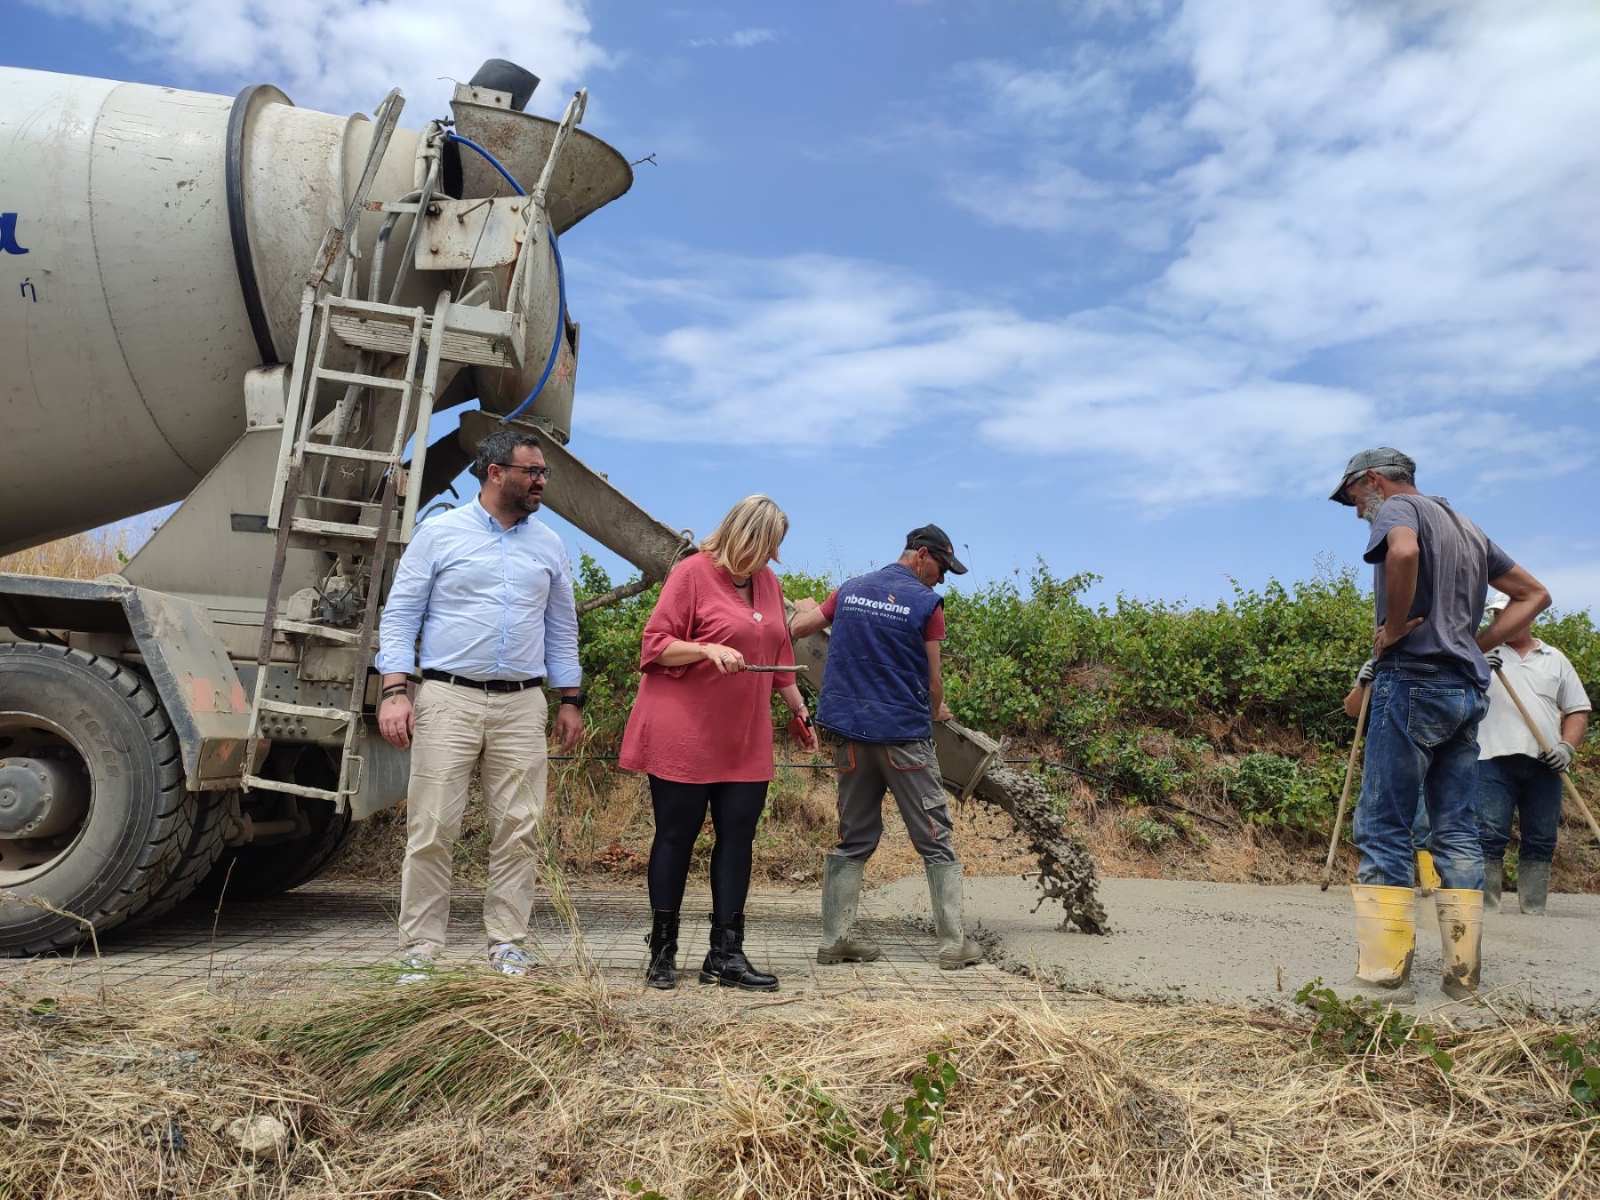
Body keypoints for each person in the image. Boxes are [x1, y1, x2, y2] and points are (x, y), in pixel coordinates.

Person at [1331, 448, 1549, 999]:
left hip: (1413, 679)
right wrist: (1474, 644)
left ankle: (1383, 976)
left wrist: (1395, 628)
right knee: (1456, 830)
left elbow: (1403, 552)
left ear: (1373, 480)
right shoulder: (1467, 526)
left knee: (1384, 822)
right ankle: (1462, 976)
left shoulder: (1398, 510)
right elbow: (1534, 594)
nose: (1355, 509)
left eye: (1353, 496)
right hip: (1465, 690)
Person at [375, 429, 586, 979]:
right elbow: (400, 616)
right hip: (447, 697)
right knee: (431, 827)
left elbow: (561, 628)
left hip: (522, 704)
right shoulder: (439, 535)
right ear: (495, 473)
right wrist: (394, 691)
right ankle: (420, 950)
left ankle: (508, 945)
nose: (541, 481)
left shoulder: (549, 544)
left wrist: (570, 699)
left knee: (519, 827)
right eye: (531, 472)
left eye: (543, 472)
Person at [618, 495, 816, 992]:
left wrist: (798, 709)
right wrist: (706, 649)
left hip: (744, 736)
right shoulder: (691, 574)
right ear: (745, 536)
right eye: (768, 545)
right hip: (684, 732)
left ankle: (725, 955)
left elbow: (779, 652)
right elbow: (655, 645)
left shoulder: (767, 582)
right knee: (676, 837)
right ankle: (662, 952)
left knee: (738, 839)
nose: (773, 556)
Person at [788, 524, 983, 971]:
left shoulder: (850, 590)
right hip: (902, 739)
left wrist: (802, 609)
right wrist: (937, 710)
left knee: (853, 836)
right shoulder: (927, 604)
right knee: (935, 837)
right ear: (921, 555)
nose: (942, 578)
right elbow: (933, 681)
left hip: (851, 737)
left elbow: (800, 628)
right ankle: (953, 945)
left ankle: (835, 940)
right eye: (941, 567)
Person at [1476, 591, 1591, 915]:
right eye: (1497, 615)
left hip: (1545, 761)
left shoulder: (1554, 658)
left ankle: (1534, 908)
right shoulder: (1479, 653)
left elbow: (1577, 710)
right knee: (1488, 835)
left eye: (1507, 613)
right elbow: (1451, 694)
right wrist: (1475, 670)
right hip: (1491, 759)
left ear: (1528, 615)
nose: (1501, 620)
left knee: (1541, 837)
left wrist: (1566, 747)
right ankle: (1486, 909)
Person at [1343, 665, 1440, 895]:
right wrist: (1362, 684)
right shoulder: (1377, 664)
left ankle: (1430, 880)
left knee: (1423, 818)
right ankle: (1386, 885)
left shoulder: (1431, 660)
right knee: (1380, 817)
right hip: (1385, 752)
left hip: (1421, 749)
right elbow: (1351, 709)